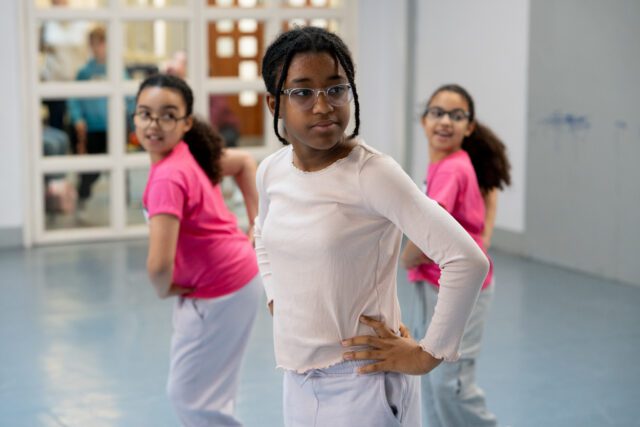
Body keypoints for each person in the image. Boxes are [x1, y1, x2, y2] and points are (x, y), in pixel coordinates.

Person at [254, 27, 490, 426]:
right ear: (274, 103)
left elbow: (467, 260)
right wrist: (278, 298)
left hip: (362, 382)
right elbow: (261, 234)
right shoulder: (272, 171)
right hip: (296, 378)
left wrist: (426, 354)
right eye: (302, 92)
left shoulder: (372, 173)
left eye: (335, 89)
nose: (323, 106)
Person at [135, 73, 262, 426]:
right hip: (239, 279)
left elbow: (158, 267)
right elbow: (244, 163)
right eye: (145, 113)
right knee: (210, 396)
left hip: (219, 291)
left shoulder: (167, 177)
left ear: (186, 121)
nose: (153, 124)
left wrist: (165, 289)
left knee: (190, 399)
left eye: (168, 114)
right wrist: (256, 222)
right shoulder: (184, 155)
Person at [401, 84, 511, 427]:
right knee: (431, 376)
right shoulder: (454, 162)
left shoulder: (451, 168)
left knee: (449, 382)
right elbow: (490, 193)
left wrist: (406, 258)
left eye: (456, 115)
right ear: (423, 120)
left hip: (457, 291)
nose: (445, 121)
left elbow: (430, 231)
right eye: (437, 113)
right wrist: (485, 236)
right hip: (435, 285)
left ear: (469, 126)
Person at [67, 25, 108, 203]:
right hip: (90, 128)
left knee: (113, 167)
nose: (99, 48)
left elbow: (129, 98)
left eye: (102, 44)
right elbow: (74, 98)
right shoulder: (84, 72)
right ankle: (82, 197)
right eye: (95, 45)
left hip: (110, 127)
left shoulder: (116, 70)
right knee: (89, 169)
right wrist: (78, 119)